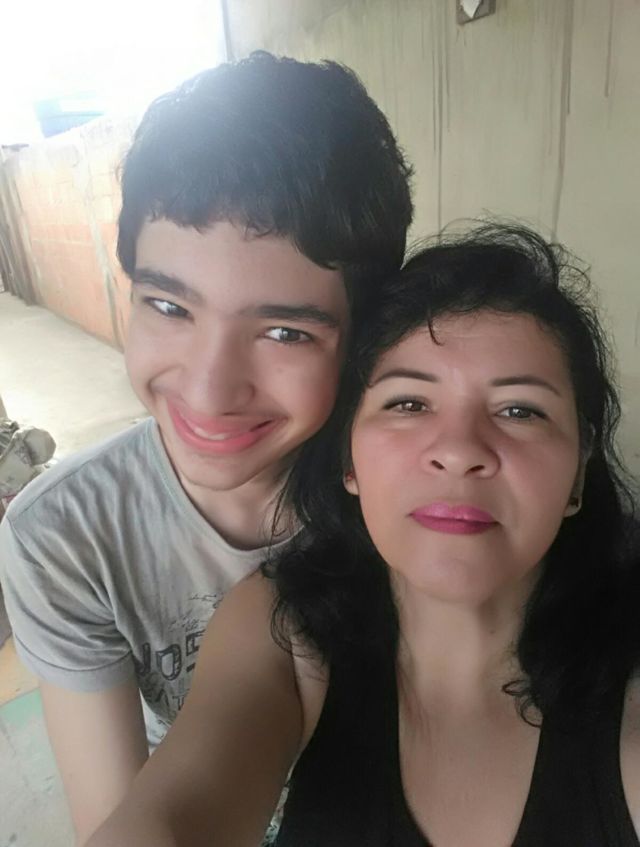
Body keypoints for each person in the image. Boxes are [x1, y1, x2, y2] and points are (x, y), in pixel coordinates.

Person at [87, 223, 640, 847]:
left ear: (578, 473)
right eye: (409, 404)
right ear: (348, 461)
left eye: (520, 411)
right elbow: (174, 815)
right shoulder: (284, 630)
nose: (460, 451)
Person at [0, 52, 413, 843]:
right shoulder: (64, 536)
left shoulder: (407, 489)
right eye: (169, 306)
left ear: (361, 338)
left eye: (284, 331)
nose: (211, 389)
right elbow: (124, 818)